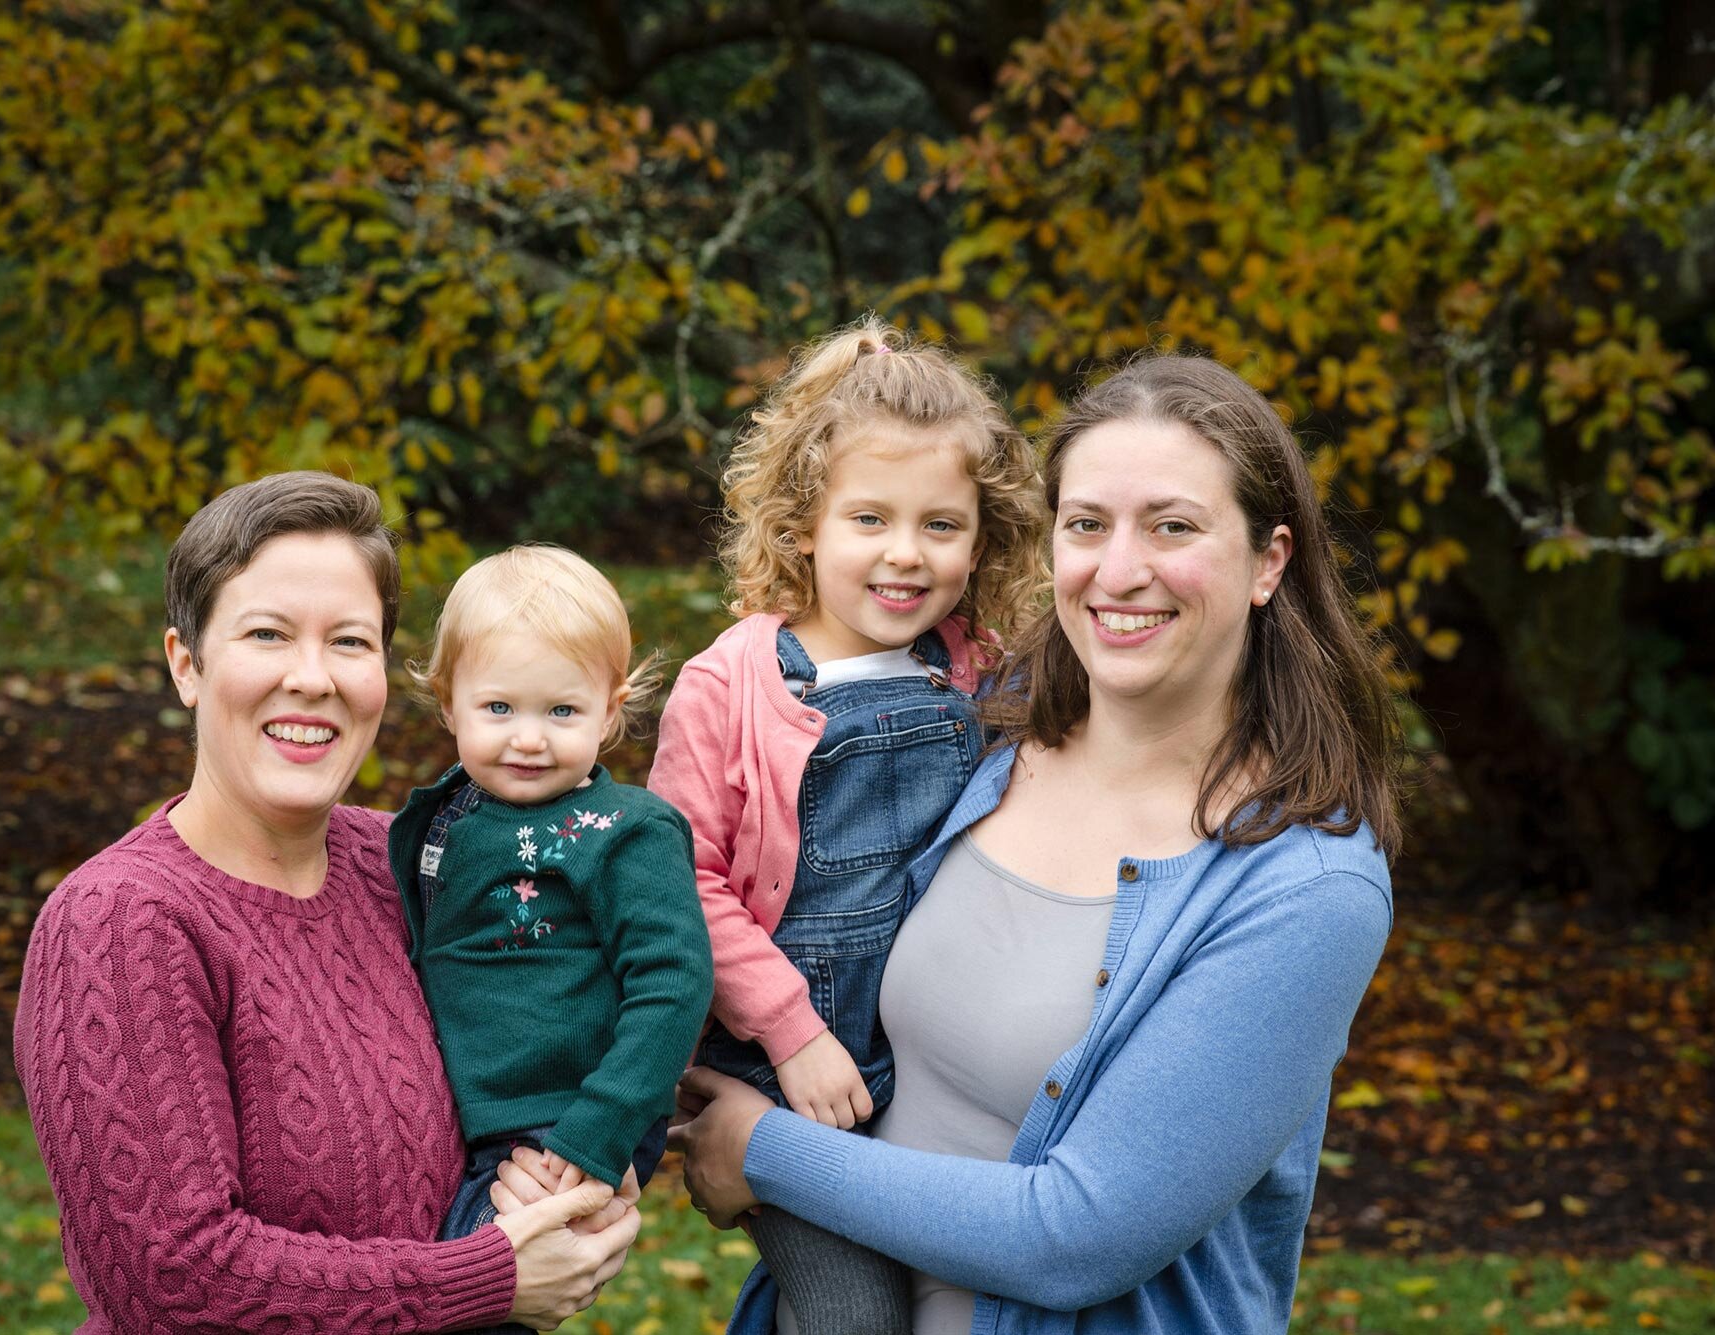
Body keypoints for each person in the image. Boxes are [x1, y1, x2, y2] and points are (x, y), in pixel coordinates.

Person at [657, 353, 1404, 1334]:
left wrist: (759, 1150)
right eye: (1086, 525)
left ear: (1269, 560)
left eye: (1171, 526)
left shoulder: (1301, 885)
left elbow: (1074, 1238)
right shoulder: (988, 743)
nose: (1118, 567)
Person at [13, 472, 640, 1333]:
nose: (313, 678)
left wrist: (575, 1162)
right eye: (268, 633)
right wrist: (486, 1276)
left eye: (350, 641)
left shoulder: (417, 864)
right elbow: (169, 1274)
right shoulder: (121, 921)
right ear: (186, 663)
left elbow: (558, 1020)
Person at [643, 317, 1047, 1332]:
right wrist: (791, 1034)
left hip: (927, 1077)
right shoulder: (729, 685)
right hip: (783, 1072)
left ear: (981, 537)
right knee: (852, 1313)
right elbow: (677, 879)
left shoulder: (978, 673)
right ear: (804, 525)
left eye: (940, 526)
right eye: (868, 519)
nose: (903, 556)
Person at [386, 546, 713, 1277]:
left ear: (610, 712)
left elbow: (674, 983)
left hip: (555, 1120)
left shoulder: (626, 831)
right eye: (499, 707)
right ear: (448, 704)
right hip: (467, 1114)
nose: (528, 737)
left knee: (466, 1295)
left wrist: (595, 1131)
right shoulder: (449, 814)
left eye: (562, 710)